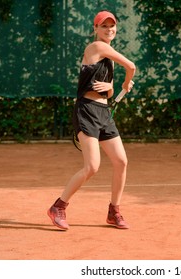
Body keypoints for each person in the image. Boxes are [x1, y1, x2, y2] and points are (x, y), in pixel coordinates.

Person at [47, 10, 136, 230]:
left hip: (104, 113)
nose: (109, 29)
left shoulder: (109, 56)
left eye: (111, 25)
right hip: (86, 111)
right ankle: (58, 207)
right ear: (95, 29)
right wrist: (126, 83)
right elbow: (132, 66)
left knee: (121, 161)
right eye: (103, 26)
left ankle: (113, 212)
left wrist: (112, 88)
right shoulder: (96, 47)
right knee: (92, 166)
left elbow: (105, 92)